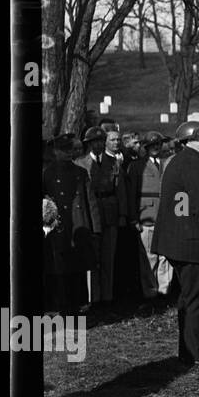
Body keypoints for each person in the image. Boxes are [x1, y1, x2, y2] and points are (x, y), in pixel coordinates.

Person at [153, 121, 199, 367]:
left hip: (180, 242)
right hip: (196, 245)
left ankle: (188, 351)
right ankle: (198, 353)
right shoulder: (196, 165)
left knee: (189, 298)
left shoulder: (180, 161)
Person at [42, 134, 99, 313]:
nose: (67, 154)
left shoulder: (80, 173)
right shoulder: (47, 173)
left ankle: (77, 304)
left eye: (70, 150)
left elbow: (90, 201)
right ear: (55, 151)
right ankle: (58, 305)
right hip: (56, 226)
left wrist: (95, 227)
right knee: (57, 268)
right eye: (63, 150)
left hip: (78, 225)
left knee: (77, 267)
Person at [75, 125, 126, 308]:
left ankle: (107, 298)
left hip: (110, 212)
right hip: (91, 215)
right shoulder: (80, 164)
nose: (97, 145)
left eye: (99, 141)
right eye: (93, 142)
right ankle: (93, 299)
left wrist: (122, 214)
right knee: (93, 259)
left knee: (108, 257)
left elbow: (120, 190)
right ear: (88, 144)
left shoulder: (113, 163)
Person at [125, 130, 173, 299]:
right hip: (146, 215)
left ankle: (164, 289)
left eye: (158, 144)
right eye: (151, 145)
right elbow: (131, 194)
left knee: (165, 256)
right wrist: (133, 218)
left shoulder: (168, 163)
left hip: (165, 216)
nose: (155, 148)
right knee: (149, 256)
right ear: (146, 147)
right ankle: (150, 291)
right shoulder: (137, 166)